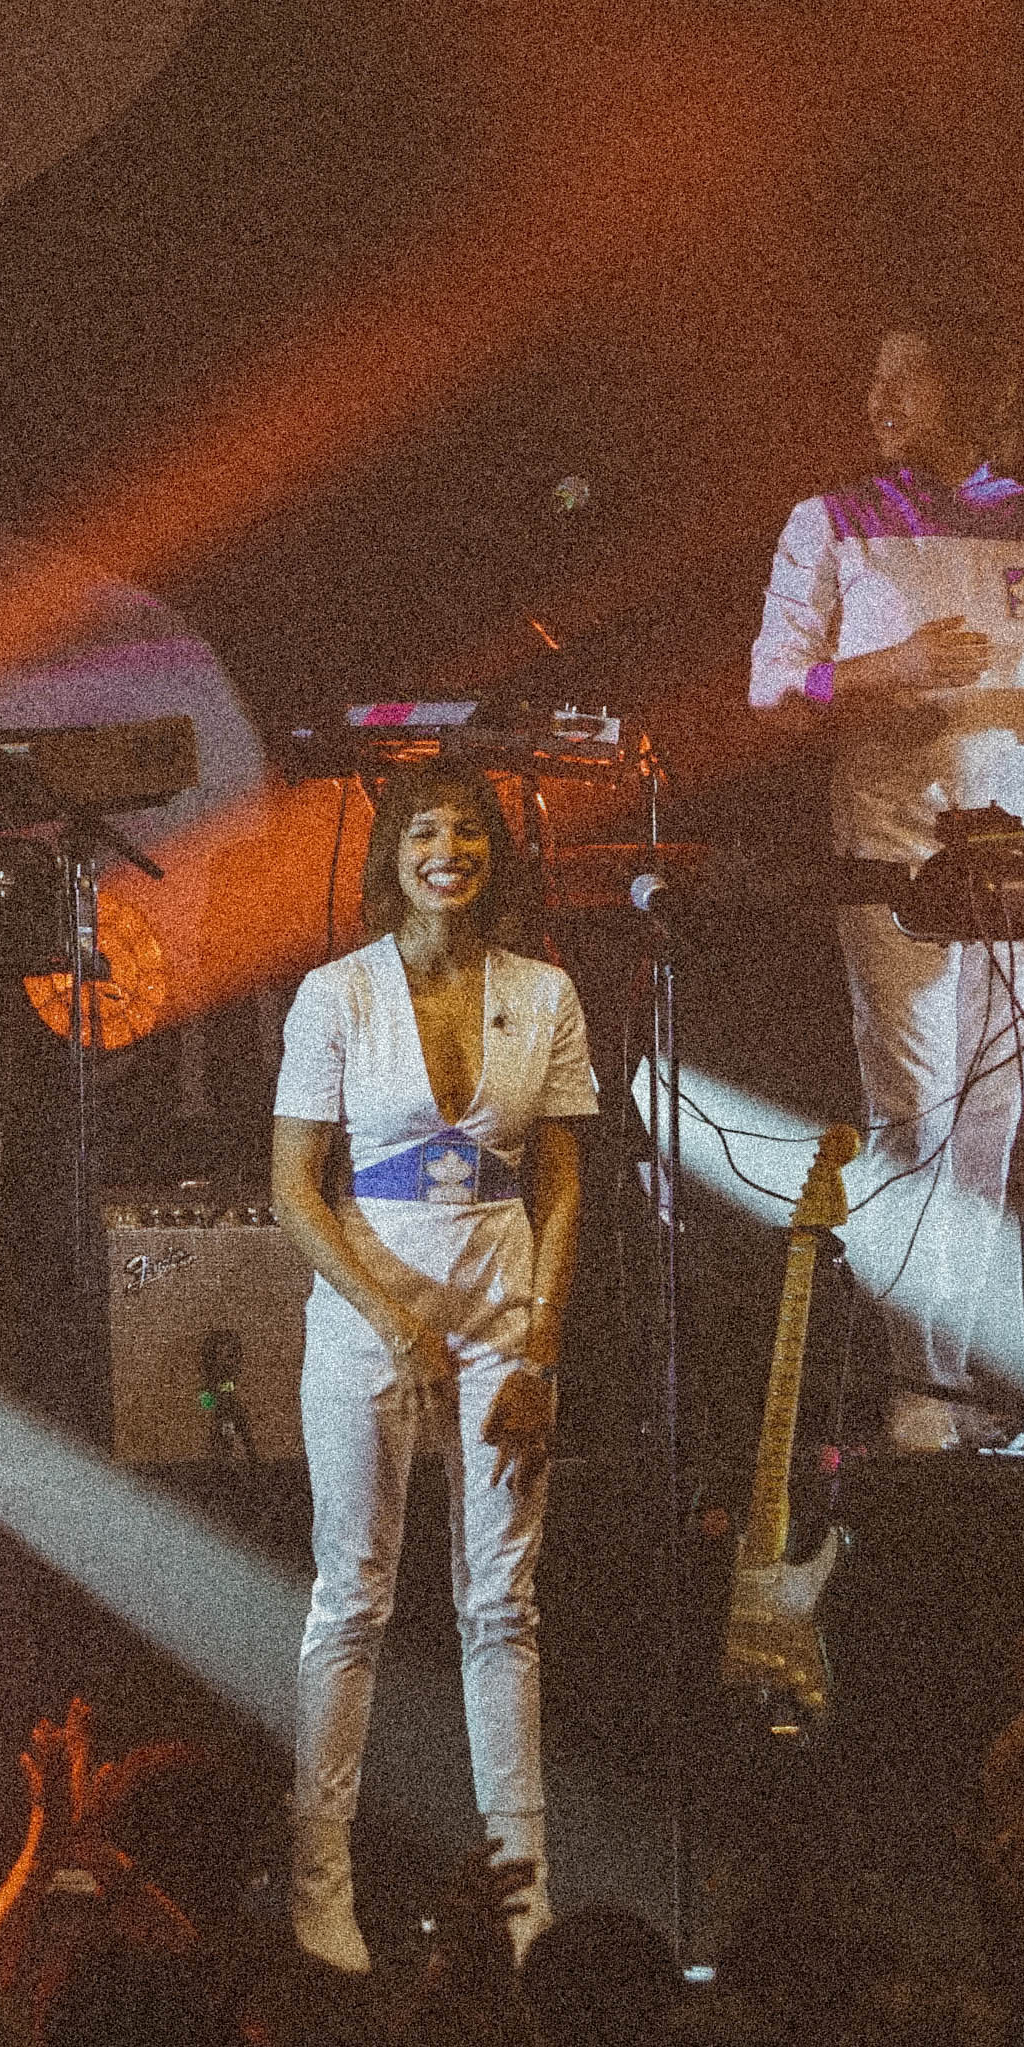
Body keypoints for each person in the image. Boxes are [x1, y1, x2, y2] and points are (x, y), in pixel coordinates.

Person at [746, 313, 1024, 1451]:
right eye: (875, 380)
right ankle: (921, 1386)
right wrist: (888, 670)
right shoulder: (832, 521)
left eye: (903, 380)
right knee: (913, 1117)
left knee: (988, 1127)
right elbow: (773, 689)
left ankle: (955, 1374)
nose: (879, 401)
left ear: (971, 392)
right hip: (893, 858)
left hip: (1015, 863)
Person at [269, 761, 598, 1971]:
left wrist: (540, 1349)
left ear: (495, 855)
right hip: (370, 1312)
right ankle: (321, 1888)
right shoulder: (335, 992)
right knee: (353, 1595)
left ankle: (523, 1899)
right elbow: (293, 1186)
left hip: (503, 1313)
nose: (448, 849)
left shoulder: (544, 990)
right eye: (424, 831)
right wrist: (393, 1319)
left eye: (468, 831)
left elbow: (561, 1182)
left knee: (503, 1603)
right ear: (391, 855)